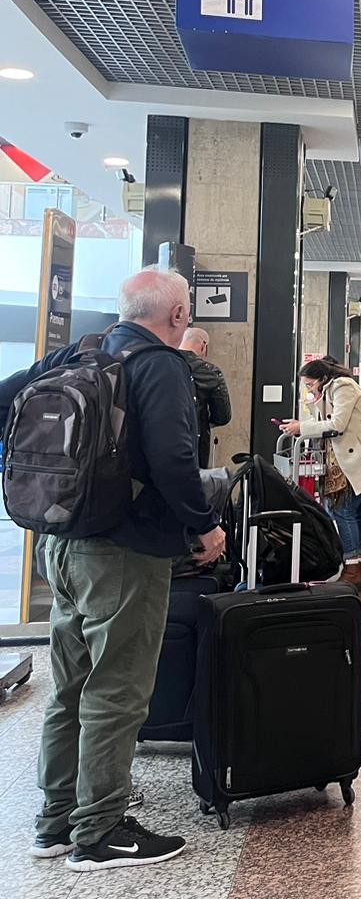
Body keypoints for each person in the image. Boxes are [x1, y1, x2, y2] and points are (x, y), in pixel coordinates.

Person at [0, 268, 225, 870]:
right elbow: (175, 459)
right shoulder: (161, 367)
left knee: (70, 685)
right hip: (124, 554)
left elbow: (5, 404)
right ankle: (100, 832)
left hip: (60, 544)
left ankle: (57, 820)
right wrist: (204, 525)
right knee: (118, 689)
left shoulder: (79, 353)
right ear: (179, 315)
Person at [284, 357, 361, 590]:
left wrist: (302, 427)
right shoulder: (333, 389)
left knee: (343, 511)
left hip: (358, 459)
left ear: (321, 379)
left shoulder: (342, 386)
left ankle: (352, 569)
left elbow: (337, 423)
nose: (308, 389)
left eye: (309, 384)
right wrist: (316, 401)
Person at [178, 327, 230, 468]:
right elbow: (223, 416)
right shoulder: (211, 372)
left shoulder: (163, 364)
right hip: (196, 444)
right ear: (203, 345)